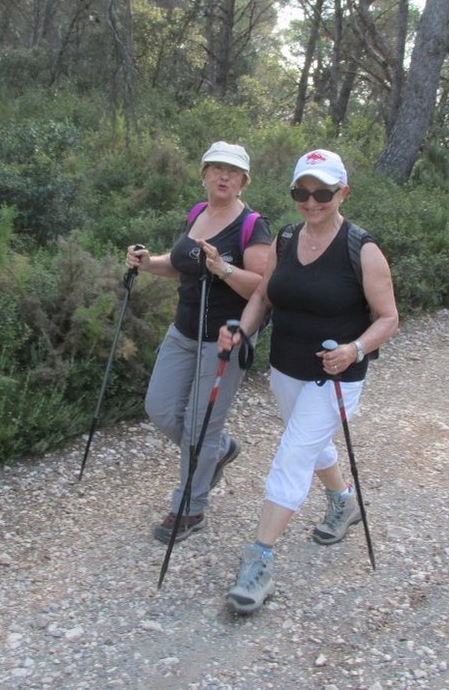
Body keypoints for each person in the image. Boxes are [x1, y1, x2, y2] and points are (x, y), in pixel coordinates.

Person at [216, 148, 399, 614]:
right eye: (302, 191)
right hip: (285, 366)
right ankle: (343, 502)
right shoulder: (287, 237)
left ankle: (258, 561)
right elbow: (263, 294)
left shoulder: (364, 249)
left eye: (323, 192)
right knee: (310, 443)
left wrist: (354, 349)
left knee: (292, 455)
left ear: (343, 193)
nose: (312, 201)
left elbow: (388, 318)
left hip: (336, 376)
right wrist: (242, 327)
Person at [126, 141, 271, 543]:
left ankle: (189, 508)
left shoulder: (252, 226)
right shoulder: (197, 213)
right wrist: (148, 262)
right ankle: (218, 450)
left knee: (199, 426)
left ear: (243, 181)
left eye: (233, 172)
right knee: (159, 408)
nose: (224, 177)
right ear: (204, 174)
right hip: (184, 329)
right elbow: (179, 264)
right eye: (217, 169)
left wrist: (223, 268)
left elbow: (262, 289)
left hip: (226, 337)